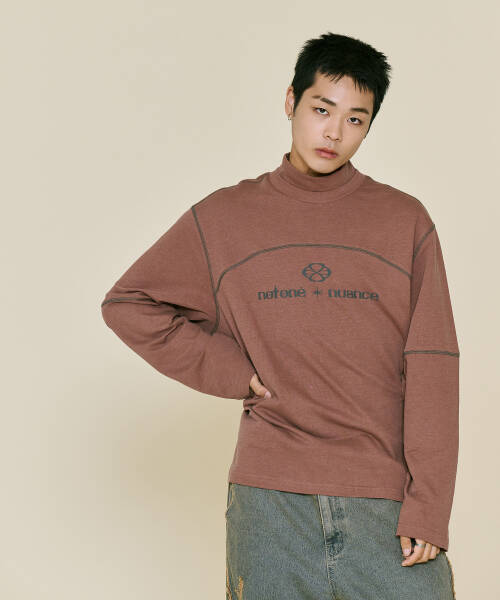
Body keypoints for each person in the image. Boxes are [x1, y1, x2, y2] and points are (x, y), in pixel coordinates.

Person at [101, 31, 458, 599]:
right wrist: (232, 371)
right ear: (291, 101)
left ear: (369, 126)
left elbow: (433, 366)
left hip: (385, 503)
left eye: (356, 119)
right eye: (321, 109)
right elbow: (130, 304)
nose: (334, 132)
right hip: (268, 506)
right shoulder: (225, 218)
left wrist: (430, 505)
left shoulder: (404, 221)